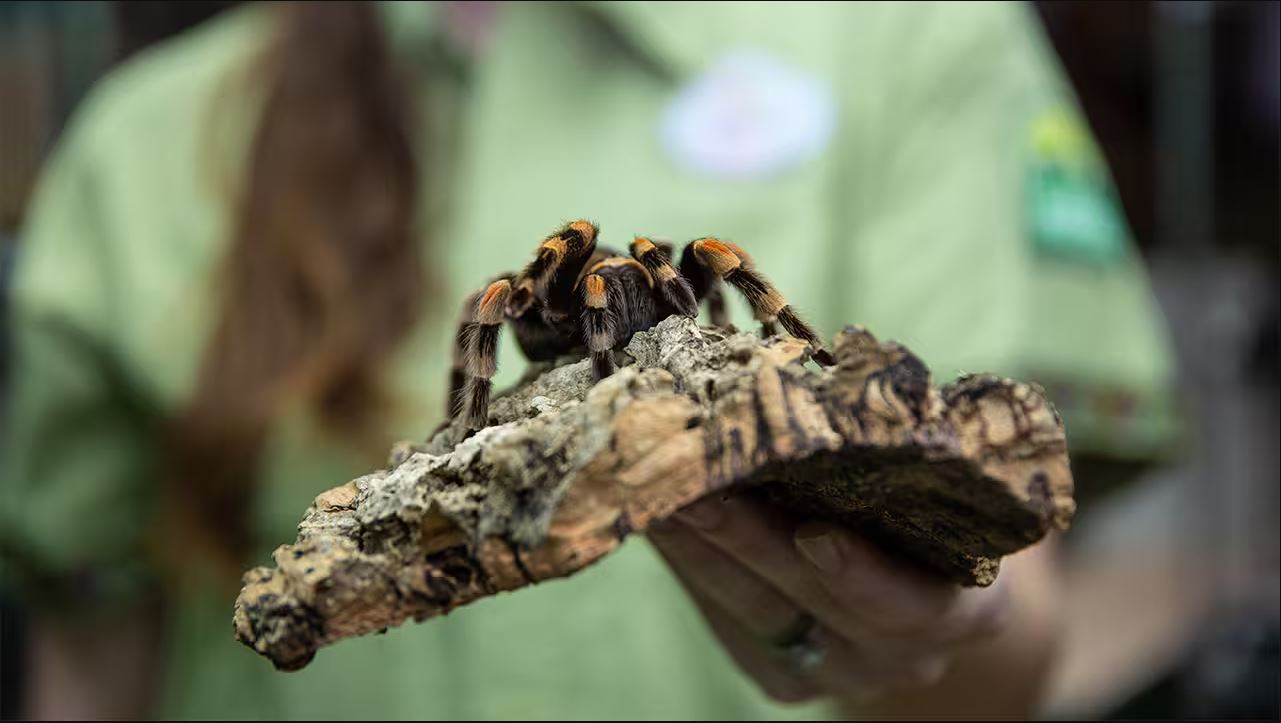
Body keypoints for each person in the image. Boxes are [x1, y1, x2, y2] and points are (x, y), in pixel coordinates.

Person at [0, 1, 1180, 719]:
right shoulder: (144, 141)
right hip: (549, 346)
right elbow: (94, 662)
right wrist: (482, 404)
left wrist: (908, 631)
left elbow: (1014, 633)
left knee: (682, 256)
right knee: (577, 255)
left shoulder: (915, 34)